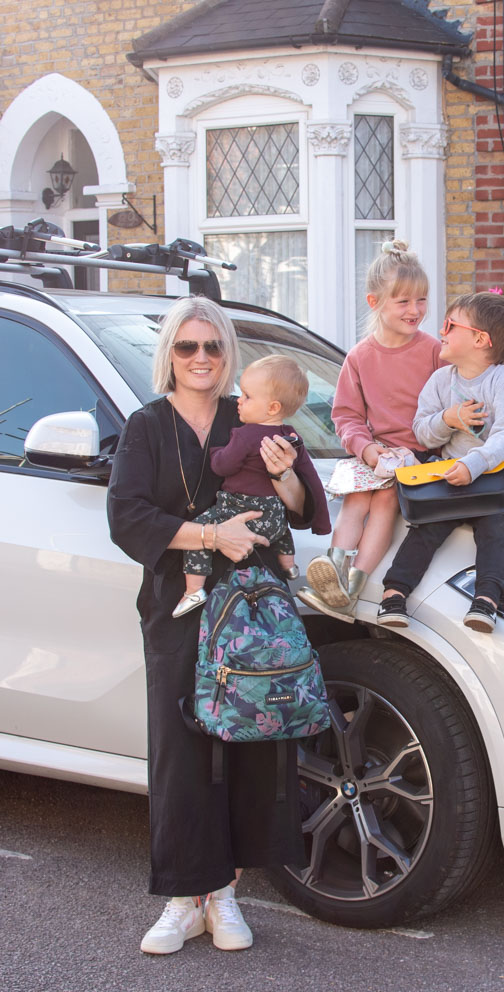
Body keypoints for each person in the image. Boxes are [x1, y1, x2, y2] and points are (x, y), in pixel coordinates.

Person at [107, 295, 330, 955]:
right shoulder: (147, 427)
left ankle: (226, 895)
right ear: (169, 356)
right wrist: (209, 533)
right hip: (180, 603)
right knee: (181, 751)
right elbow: (127, 516)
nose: (199, 358)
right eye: (186, 347)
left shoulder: (254, 414)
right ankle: (183, 897)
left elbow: (303, 502)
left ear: (227, 354)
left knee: (250, 748)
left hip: (254, 604)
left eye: (211, 347)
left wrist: (287, 481)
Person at [376, 291, 504, 633]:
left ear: (480, 339)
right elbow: (422, 433)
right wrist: (449, 419)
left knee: (496, 527)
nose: (441, 330)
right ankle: (394, 594)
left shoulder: (503, 383)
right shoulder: (441, 381)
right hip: (453, 476)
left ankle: (486, 600)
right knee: (426, 526)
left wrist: (475, 463)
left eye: (451, 325)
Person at [299, 239, 441, 618]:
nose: (415, 310)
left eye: (421, 300)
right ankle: (334, 580)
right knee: (356, 502)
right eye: (404, 301)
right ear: (375, 302)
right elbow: (345, 416)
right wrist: (365, 449)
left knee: (384, 503)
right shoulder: (360, 356)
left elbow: (446, 407)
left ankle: (353, 588)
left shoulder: (434, 352)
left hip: (418, 456)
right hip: (375, 453)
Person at [173, 354, 309, 618]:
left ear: (271, 407)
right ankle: (290, 566)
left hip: (241, 509)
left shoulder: (245, 434)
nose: (239, 400)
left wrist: (215, 452)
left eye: (246, 396)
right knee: (280, 529)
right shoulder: (290, 435)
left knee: (201, 528)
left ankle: (193, 590)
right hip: (272, 514)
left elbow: (223, 466)